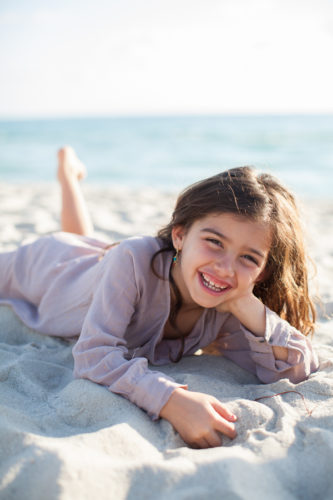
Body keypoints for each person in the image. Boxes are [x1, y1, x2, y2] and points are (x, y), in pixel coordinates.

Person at [0, 147, 319, 449]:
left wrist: (244, 303)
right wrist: (170, 400)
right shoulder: (133, 259)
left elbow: (294, 369)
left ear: (262, 271)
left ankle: (68, 175)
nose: (225, 268)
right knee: (79, 248)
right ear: (180, 235)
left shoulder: (225, 300)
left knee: (90, 245)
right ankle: (67, 173)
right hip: (46, 270)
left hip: (100, 267)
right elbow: (92, 355)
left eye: (249, 258)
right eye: (214, 241)